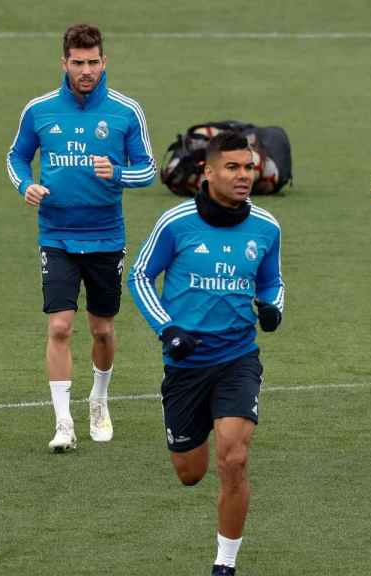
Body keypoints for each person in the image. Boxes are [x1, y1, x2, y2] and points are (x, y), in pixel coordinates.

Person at [128, 132, 284, 576]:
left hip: (238, 358)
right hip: (186, 364)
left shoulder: (267, 227)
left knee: (233, 456)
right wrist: (168, 329)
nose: (243, 176)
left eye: (249, 167)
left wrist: (273, 306)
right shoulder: (176, 223)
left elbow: (272, 280)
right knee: (190, 472)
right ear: (208, 172)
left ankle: (225, 565)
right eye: (232, 168)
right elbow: (140, 276)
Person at [6, 23, 156, 451]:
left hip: (107, 236)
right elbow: (16, 156)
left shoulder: (126, 111)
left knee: (103, 330)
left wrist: (119, 172)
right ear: (65, 62)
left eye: (93, 62)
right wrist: (25, 185)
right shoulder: (40, 110)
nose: (85, 70)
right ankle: (63, 423)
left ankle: (99, 400)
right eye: (78, 63)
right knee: (59, 326)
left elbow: (149, 169)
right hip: (56, 235)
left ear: (104, 62)